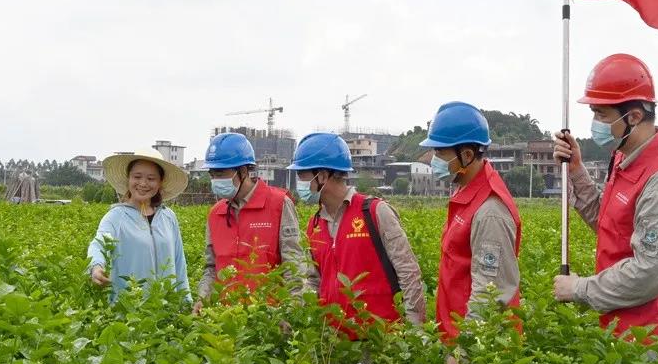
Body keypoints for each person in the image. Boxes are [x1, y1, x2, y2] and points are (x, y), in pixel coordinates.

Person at [552, 53, 658, 339]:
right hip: (622, 330)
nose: (595, 123)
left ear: (633, 116)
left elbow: (653, 270)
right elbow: (610, 226)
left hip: (655, 340)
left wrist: (580, 288)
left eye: (601, 115)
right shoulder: (624, 159)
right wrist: (576, 170)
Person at [289, 132, 425, 337]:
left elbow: (408, 273)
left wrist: (415, 332)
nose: (298, 182)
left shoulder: (374, 212)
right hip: (336, 344)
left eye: (302, 175)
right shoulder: (314, 224)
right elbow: (314, 280)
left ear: (323, 175)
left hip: (380, 339)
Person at [420, 102, 522, 345]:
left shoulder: (489, 212)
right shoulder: (466, 192)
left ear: (467, 155)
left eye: (441, 153)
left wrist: (464, 352)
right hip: (457, 338)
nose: (435, 160)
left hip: (478, 350)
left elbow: (490, 292)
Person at [193, 132, 309, 312]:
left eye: (221, 172)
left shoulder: (278, 203)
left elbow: (293, 265)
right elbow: (211, 268)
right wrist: (203, 299)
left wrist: (292, 310)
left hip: (268, 319)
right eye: (212, 174)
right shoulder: (216, 213)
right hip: (225, 319)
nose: (216, 180)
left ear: (244, 171)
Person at [87, 148, 191, 302]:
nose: (143, 183)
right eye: (137, 177)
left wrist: (186, 302)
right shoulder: (116, 217)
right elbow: (99, 244)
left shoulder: (168, 217)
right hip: (129, 310)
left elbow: (179, 263)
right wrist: (96, 266)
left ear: (160, 182)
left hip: (167, 309)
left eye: (151, 178)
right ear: (128, 179)